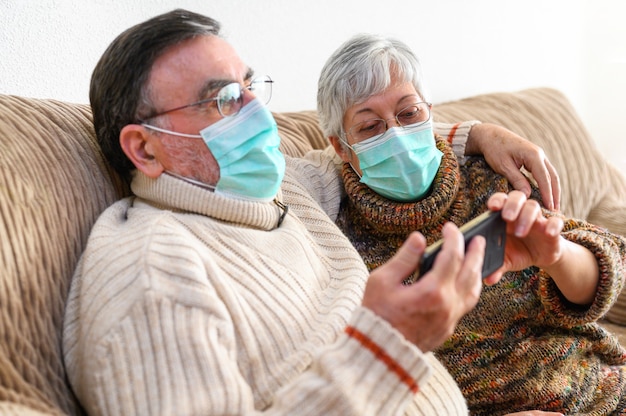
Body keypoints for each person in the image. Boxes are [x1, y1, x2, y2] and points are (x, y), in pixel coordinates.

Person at [63, 9, 563, 416]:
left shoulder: (280, 186)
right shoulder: (153, 278)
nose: (259, 112)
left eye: (251, 86)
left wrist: (478, 135)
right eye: (225, 99)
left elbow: (381, 146)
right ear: (146, 151)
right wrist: (386, 346)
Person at [315, 32, 626, 415]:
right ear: (340, 147)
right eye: (370, 127)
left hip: (600, 391)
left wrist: (557, 254)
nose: (396, 137)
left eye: (409, 113)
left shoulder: (490, 176)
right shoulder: (332, 239)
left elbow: (602, 282)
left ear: (430, 113)